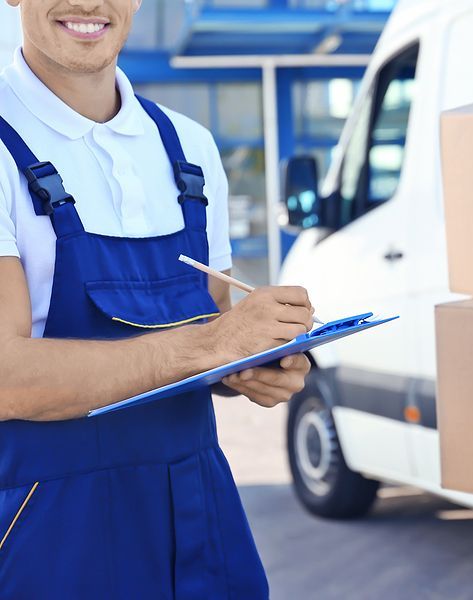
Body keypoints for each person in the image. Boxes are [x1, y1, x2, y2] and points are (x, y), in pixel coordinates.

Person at [0, 0, 314, 596]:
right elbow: (5, 377)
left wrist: (251, 365)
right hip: (51, 532)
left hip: (198, 512)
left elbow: (214, 326)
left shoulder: (189, 148)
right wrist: (211, 345)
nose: (89, 4)